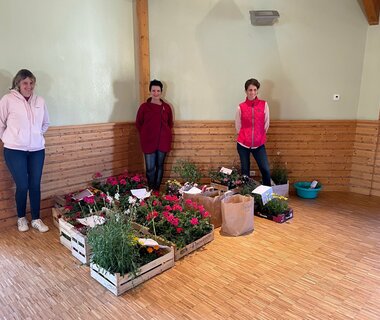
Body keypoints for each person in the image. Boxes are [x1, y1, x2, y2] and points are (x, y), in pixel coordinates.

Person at [0, 69, 50, 232]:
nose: (29, 86)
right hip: (14, 150)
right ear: (18, 84)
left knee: (35, 185)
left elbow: (45, 123)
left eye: (31, 83)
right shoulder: (8, 100)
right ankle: (21, 218)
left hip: (37, 150)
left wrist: (36, 136)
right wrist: (12, 138)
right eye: (25, 83)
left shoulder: (40, 101)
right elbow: (1, 123)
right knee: (22, 185)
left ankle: (36, 219)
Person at [136, 79, 173, 191]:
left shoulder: (166, 107)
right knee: (150, 168)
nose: (156, 93)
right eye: (153, 90)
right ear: (150, 91)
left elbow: (170, 123)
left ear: (161, 92)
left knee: (160, 166)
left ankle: (156, 191)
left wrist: (164, 134)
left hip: (163, 141)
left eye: (158, 90)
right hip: (148, 141)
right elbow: (138, 123)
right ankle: (150, 190)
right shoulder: (144, 107)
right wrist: (146, 134)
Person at [235, 78, 271, 186]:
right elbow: (238, 125)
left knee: (265, 170)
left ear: (257, 91)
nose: (253, 92)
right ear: (246, 91)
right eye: (250, 90)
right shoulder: (240, 107)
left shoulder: (264, 104)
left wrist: (259, 136)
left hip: (259, 144)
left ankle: (267, 197)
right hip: (243, 144)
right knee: (245, 172)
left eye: (255, 90)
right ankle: (247, 197)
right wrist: (245, 137)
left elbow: (266, 123)